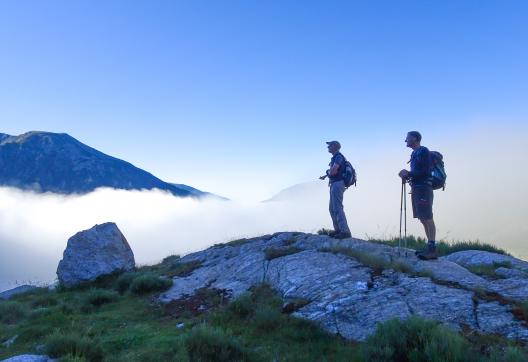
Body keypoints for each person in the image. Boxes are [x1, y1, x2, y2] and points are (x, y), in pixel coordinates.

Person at [398, 131, 437, 260]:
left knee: (427, 217)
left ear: (414, 138)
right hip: (417, 188)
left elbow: (426, 171)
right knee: (422, 218)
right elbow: (418, 172)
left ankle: (432, 250)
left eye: (407, 138)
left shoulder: (423, 151)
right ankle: (429, 247)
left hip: (423, 188)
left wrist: (408, 174)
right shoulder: (415, 153)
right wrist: (408, 175)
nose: (405, 141)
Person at [320, 141, 351, 239]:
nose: (328, 147)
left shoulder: (338, 157)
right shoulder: (335, 157)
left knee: (337, 207)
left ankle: (345, 232)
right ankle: (338, 230)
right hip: (335, 183)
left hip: (337, 183)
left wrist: (328, 173)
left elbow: (334, 171)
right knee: (332, 208)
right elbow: (334, 171)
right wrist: (326, 176)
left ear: (334, 147)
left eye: (329, 145)